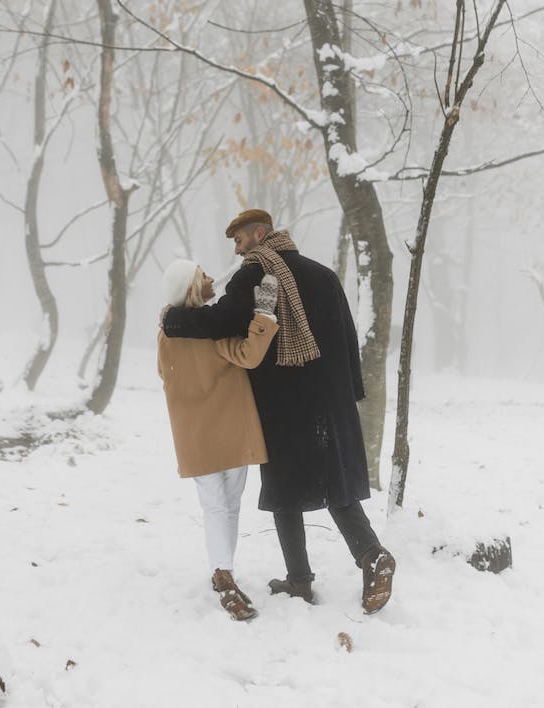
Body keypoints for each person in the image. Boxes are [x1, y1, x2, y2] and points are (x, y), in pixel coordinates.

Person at [161, 210, 396, 614]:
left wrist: (174, 318)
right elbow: (347, 331)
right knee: (334, 483)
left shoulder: (255, 274)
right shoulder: (322, 274)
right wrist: (351, 393)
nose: (236, 250)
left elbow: (220, 322)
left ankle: (300, 580)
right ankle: (370, 555)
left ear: (259, 234)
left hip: (284, 399)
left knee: (284, 490)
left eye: (238, 240)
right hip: (331, 397)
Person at [158, 257, 279, 621]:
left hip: (195, 433)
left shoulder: (168, 332)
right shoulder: (211, 329)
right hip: (231, 427)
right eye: (203, 275)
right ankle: (223, 575)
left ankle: (223, 571)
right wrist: (264, 314)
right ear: (193, 287)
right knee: (227, 504)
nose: (211, 278)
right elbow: (249, 355)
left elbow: (164, 373)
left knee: (217, 505)